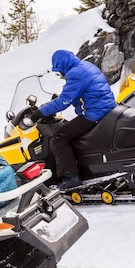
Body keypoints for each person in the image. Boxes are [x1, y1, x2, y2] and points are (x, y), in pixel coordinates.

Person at [29, 50, 116, 189]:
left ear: (63, 65)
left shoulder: (76, 73)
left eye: (59, 70)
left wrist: (40, 112)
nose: (61, 75)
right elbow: (83, 92)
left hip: (94, 112)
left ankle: (71, 177)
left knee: (59, 136)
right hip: (105, 108)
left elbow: (65, 101)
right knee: (71, 131)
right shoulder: (86, 66)